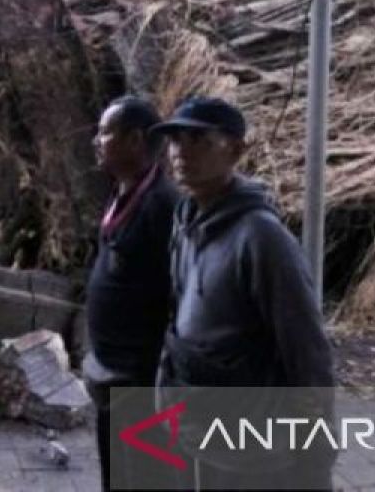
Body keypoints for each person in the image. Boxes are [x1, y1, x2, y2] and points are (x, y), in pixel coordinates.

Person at [153, 96, 335, 490]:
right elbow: (179, 317)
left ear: (235, 150)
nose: (181, 151)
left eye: (199, 140)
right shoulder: (186, 221)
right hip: (193, 420)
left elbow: (306, 346)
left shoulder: (260, 237)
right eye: (175, 140)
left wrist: (318, 441)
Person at [83, 95, 178, 491]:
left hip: (142, 379)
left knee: (146, 477)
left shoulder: (162, 206)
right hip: (111, 374)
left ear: (136, 140)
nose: (96, 140)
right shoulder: (122, 192)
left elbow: (179, 293)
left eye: (105, 132)